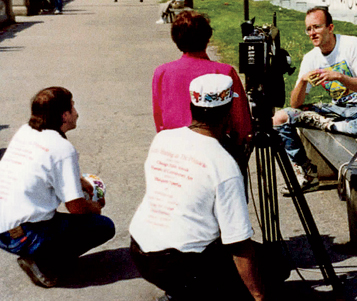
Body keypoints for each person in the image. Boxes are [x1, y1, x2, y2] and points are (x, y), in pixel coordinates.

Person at [130, 74, 266, 301]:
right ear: (229, 110)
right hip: (181, 264)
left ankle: (181, 292)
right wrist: (258, 294)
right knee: (272, 265)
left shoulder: (163, 138)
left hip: (140, 252)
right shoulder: (223, 164)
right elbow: (239, 243)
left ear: (192, 105)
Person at [0, 87, 115, 288]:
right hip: (25, 235)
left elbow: (39, 165)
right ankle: (44, 261)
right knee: (103, 226)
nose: (76, 113)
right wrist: (94, 208)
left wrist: (78, 180)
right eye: (73, 107)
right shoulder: (63, 149)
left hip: (4, 229)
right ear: (64, 115)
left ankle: (41, 253)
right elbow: (76, 208)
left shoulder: (26, 131)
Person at [272, 6, 357, 191]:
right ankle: (307, 174)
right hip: (336, 110)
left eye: (317, 27)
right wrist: (302, 81)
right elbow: (295, 104)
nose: (312, 33)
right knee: (280, 118)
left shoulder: (352, 45)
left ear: (330, 28)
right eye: (308, 29)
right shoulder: (311, 58)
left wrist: (340, 77)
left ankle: (331, 126)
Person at [152, 11, 252, 166]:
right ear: (207, 37)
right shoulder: (224, 72)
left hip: (175, 147)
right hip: (215, 147)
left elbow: (160, 118)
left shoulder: (162, 72)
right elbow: (240, 120)